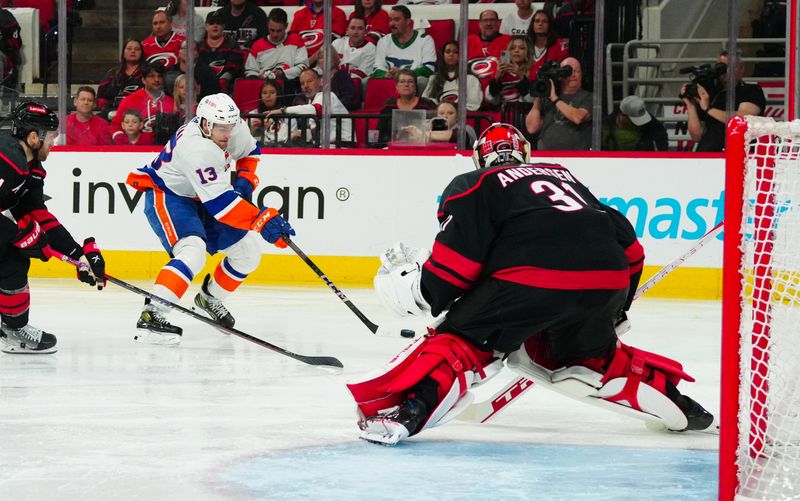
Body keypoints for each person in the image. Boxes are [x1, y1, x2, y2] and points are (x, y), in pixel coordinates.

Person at [347, 123, 715, 445]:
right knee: (590, 356)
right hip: (606, 282)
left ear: (479, 158)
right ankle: (684, 408)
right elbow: (632, 251)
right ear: (524, 153)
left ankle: (408, 412)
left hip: (528, 282)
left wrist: (422, 290)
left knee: (464, 339)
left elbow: (454, 270)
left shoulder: (474, 184)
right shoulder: (566, 178)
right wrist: (616, 309)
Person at [125, 93, 295, 344]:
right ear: (205, 124)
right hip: (171, 196)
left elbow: (250, 152)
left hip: (203, 196)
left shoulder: (231, 125)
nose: (228, 133)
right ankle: (153, 315)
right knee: (193, 251)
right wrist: (261, 220)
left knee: (247, 253)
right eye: (221, 128)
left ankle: (208, 299)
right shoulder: (196, 148)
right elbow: (221, 206)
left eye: (231, 126)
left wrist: (245, 184)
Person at [0, 101, 106, 354]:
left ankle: (13, 329)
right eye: (51, 137)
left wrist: (78, 254)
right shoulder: (5, 158)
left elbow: (37, 214)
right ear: (34, 136)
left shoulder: (32, 169)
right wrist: (18, 235)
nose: (54, 144)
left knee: (12, 260)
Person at [681, 49, 766, 152]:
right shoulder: (710, 94)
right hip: (708, 154)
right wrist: (691, 106)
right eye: (722, 67)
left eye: (731, 67)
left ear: (741, 68)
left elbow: (742, 119)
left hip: (738, 156)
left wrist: (708, 109)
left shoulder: (751, 90)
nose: (726, 71)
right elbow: (697, 136)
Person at [266, 68, 352, 146]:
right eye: (302, 83)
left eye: (309, 81)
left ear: (321, 82)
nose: (306, 86)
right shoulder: (312, 101)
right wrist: (297, 133)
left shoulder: (328, 95)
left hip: (343, 147)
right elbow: (317, 132)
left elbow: (317, 109)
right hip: (326, 146)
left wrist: (283, 110)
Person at [525, 56, 592, 150]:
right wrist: (539, 96)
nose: (573, 75)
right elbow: (531, 128)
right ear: (560, 76)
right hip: (546, 156)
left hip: (575, 157)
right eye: (568, 72)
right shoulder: (548, 98)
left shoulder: (589, 97)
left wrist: (555, 99)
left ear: (581, 75)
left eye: (576, 71)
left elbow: (578, 117)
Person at [244, 8, 309, 96]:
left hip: (289, 87)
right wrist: (258, 78)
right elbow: (250, 71)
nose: (275, 34)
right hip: (263, 88)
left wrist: (284, 74)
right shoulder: (257, 45)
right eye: (272, 30)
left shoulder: (296, 40)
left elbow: (303, 66)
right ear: (267, 25)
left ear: (286, 26)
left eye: (279, 31)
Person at [372, 6, 436, 89]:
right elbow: (377, 67)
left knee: (421, 81)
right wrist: (386, 75)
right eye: (390, 20)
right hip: (389, 81)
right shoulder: (384, 41)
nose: (392, 24)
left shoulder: (425, 40)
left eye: (397, 20)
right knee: (366, 82)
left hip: (413, 84)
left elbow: (429, 69)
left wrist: (402, 75)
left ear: (408, 21)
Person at [111, 62, 175, 145]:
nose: (156, 79)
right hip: (135, 151)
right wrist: (123, 141)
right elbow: (115, 125)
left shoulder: (172, 103)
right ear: (143, 80)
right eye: (151, 76)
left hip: (164, 152)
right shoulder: (129, 101)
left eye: (159, 76)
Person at [377, 68, 437, 145]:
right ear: (396, 87)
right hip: (392, 149)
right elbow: (381, 132)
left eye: (410, 81)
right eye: (402, 82)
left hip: (422, 148)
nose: (406, 85)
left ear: (415, 86)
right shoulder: (388, 105)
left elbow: (436, 132)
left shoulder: (427, 104)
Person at [422, 40, 483, 112]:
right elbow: (426, 101)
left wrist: (452, 112)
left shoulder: (470, 79)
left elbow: (473, 105)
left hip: (462, 119)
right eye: (447, 52)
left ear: (462, 56)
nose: (451, 54)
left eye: (456, 52)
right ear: (442, 55)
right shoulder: (434, 78)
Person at [197, 10, 246, 95]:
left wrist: (223, 80)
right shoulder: (199, 47)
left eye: (218, 23)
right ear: (206, 26)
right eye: (211, 23)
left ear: (223, 26)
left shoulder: (232, 45)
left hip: (227, 87)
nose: (215, 26)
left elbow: (235, 69)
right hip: (203, 86)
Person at [97, 39, 145, 120]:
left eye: (137, 49)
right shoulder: (112, 74)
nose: (133, 51)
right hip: (112, 112)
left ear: (141, 53)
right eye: (129, 49)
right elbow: (100, 96)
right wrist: (107, 110)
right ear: (123, 53)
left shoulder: (146, 73)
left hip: (138, 113)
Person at [289, 0, 347, 66]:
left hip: (323, 61)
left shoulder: (338, 13)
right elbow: (292, 40)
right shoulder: (299, 14)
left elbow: (333, 43)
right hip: (300, 60)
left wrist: (309, 61)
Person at [602, 95, 668, 152]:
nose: (642, 122)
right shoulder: (607, 125)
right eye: (633, 119)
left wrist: (662, 154)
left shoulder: (649, 120)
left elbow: (661, 133)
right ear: (622, 115)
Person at [484, 36, 534, 109]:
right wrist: (496, 78)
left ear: (528, 51)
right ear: (508, 52)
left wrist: (521, 77)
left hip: (526, 115)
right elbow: (491, 99)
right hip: (505, 116)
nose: (516, 51)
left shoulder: (533, 70)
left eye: (522, 48)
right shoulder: (502, 71)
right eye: (512, 48)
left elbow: (531, 100)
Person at [142, 10, 186, 93]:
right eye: (155, 23)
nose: (158, 26)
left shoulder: (182, 41)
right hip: (151, 81)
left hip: (174, 82)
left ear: (170, 24)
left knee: (169, 78)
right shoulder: (145, 44)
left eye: (162, 22)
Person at [332, 16, 376, 94]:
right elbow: (324, 67)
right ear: (347, 30)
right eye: (352, 28)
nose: (355, 32)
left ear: (366, 31)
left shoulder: (371, 49)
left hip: (352, 89)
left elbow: (361, 75)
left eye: (360, 28)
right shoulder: (337, 43)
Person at [526, 9, 569, 77]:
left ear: (550, 25)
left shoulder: (560, 45)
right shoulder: (525, 45)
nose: (540, 24)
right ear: (532, 24)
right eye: (537, 21)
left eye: (544, 21)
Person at [246, 79, 290, 145]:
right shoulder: (252, 115)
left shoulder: (288, 115)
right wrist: (251, 131)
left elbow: (290, 140)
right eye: (264, 93)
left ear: (278, 95)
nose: (268, 96)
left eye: (272, 92)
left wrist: (267, 131)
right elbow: (244, 142)